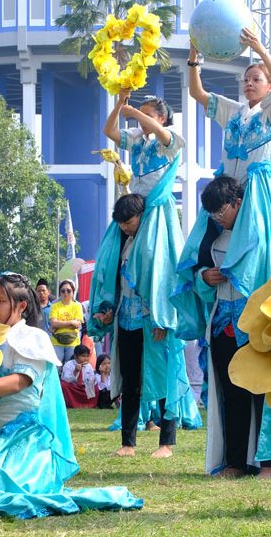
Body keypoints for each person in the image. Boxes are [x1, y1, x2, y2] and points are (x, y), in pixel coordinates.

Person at [176, 30, 271, 476]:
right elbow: (197, 93)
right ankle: (234, 458)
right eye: (246, 78)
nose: (250, 83)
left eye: (257, 78)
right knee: (200, 253)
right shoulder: (234, 114)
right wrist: (195, 54)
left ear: (268, 85)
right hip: (226, 197)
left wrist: (265, 53)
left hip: (259, 202)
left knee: (264, 300)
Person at [0, 273, 143, 518]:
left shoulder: (32, 338)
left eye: (0, 302)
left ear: (21, 306)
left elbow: (19, 381)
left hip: (17, 440)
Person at [89, 89, 193, 459]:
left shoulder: (167, 143)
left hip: (159, 212)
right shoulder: (136, 144)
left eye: (148, 114)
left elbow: (156, 130)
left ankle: (167, 441)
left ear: (162, 118)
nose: (140, 120)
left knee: (159, 265)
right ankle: (129, 442)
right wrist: (119, 103)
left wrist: (136, 110)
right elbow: (108, 129)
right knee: (131, 375)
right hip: (129, 315)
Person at [190, 176, 271, 478]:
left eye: (221, 210)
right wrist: (205, 276)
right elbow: (196, 273)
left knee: (264, 392)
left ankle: (269, 464)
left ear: (239, 203)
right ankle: (236, 461)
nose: (217, 217)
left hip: (256, 324)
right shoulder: (212, 239)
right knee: (231, 393)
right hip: (222, 323)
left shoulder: (261, 236)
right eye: (212, 213)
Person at [90, 194, 187, 459]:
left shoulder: (157, 244)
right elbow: (113, 283)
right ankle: (128, 443)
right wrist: (107, 312)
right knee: (130, 381)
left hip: (153, 321)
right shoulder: (120, 243)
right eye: (121, 224)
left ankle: (167, 443)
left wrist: (163, 318)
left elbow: (167, 281)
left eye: (129, 222)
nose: (125, 227)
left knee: (163, 379)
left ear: (143, 216)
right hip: (127, 321)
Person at [49, 280, 84, 365]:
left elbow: (77, 324)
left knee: (71, 369)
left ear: (73, 292)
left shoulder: (78, 306)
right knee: (55, 368)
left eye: (68, 290)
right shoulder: (54, 306)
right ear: (60, 292)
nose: (66, 293)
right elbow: (53, 323)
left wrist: (59, 324)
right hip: (57, 342)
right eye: (63, 290)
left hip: (73, 343)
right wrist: (71, 322)